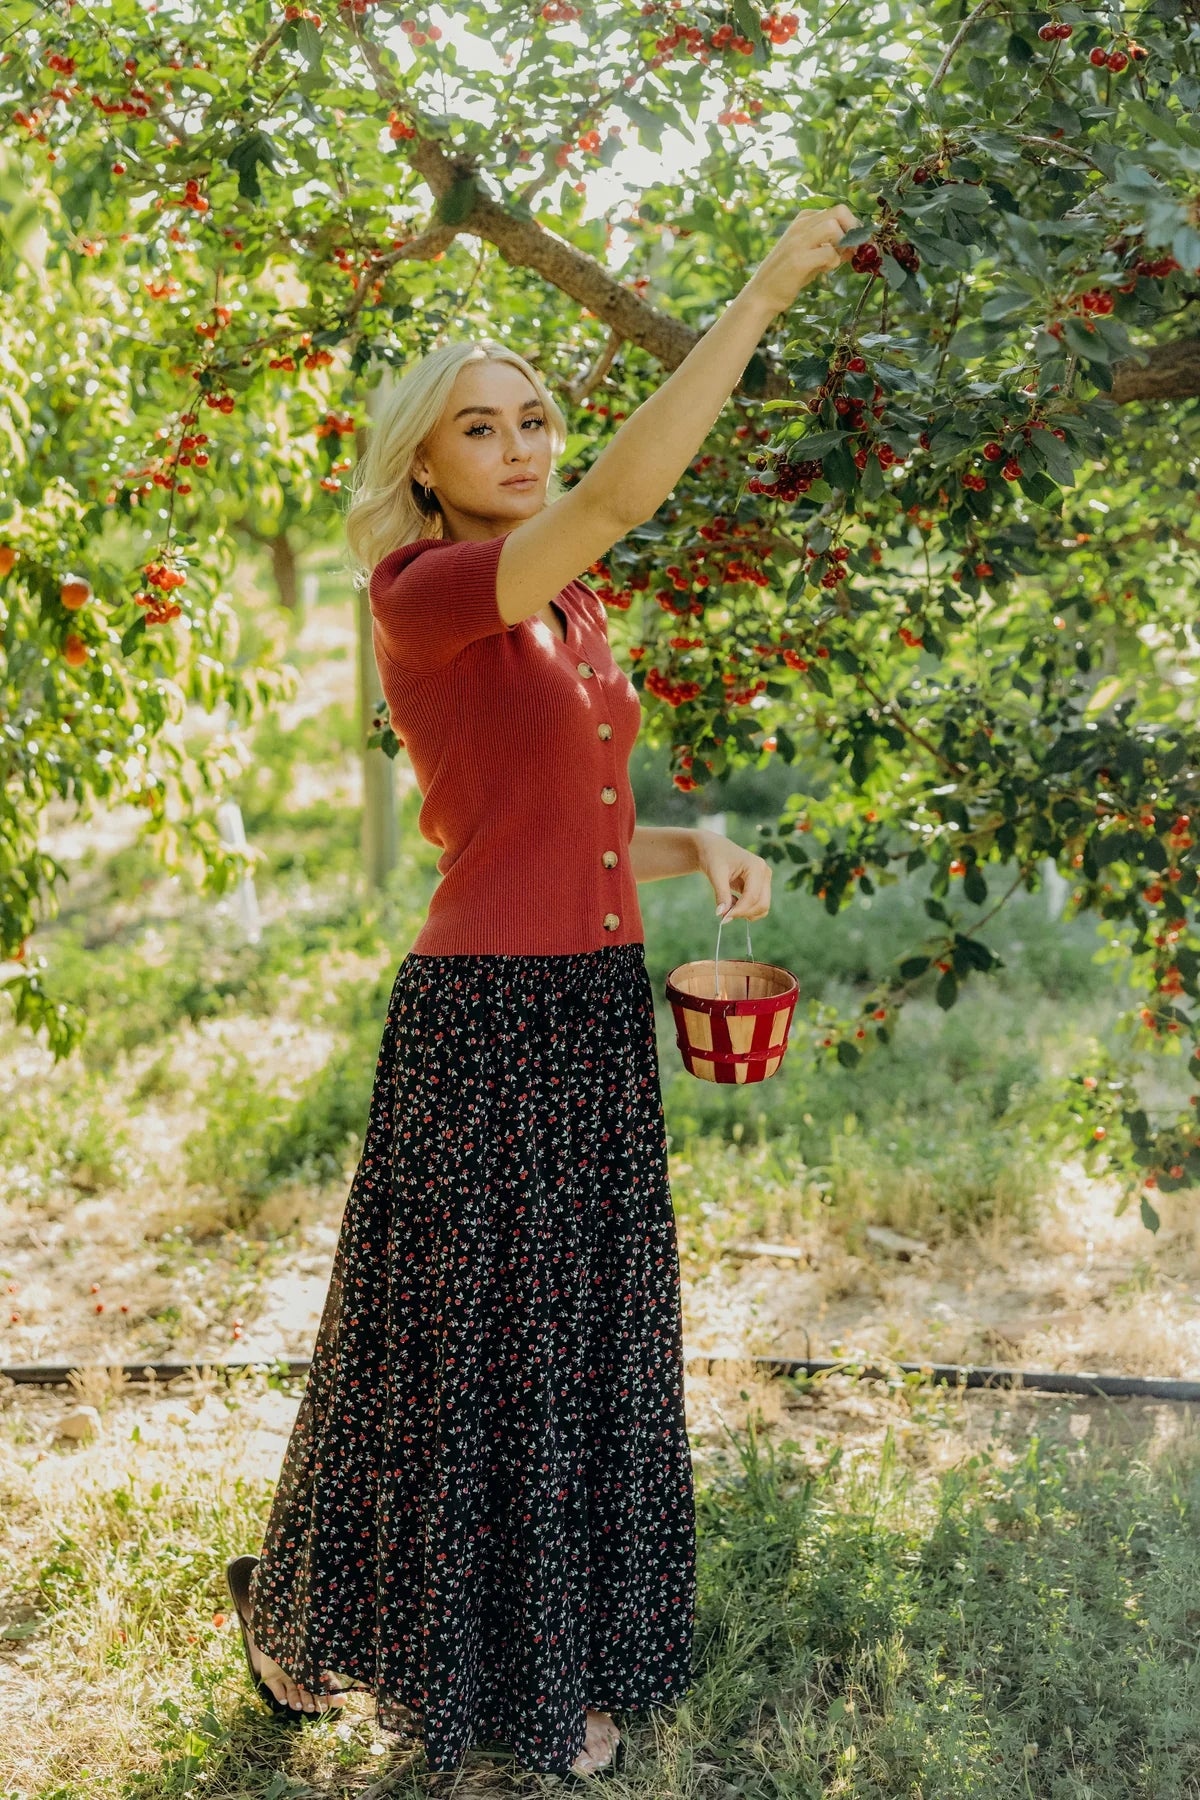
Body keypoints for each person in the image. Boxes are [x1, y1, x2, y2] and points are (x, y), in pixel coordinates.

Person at [225, 200, 858, 1781]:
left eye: (534, 421)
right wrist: (762, 289)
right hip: (486, 1018)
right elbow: (625, 493)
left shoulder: (566, 610)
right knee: (474, 1353)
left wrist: (698, 840)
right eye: (482, 428)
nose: (520, 448)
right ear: (425, 467)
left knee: (574, 1345)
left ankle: (514, 1651)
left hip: (589, 1006)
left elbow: (559, 815)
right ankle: (449, 1669)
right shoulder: (427, 589)